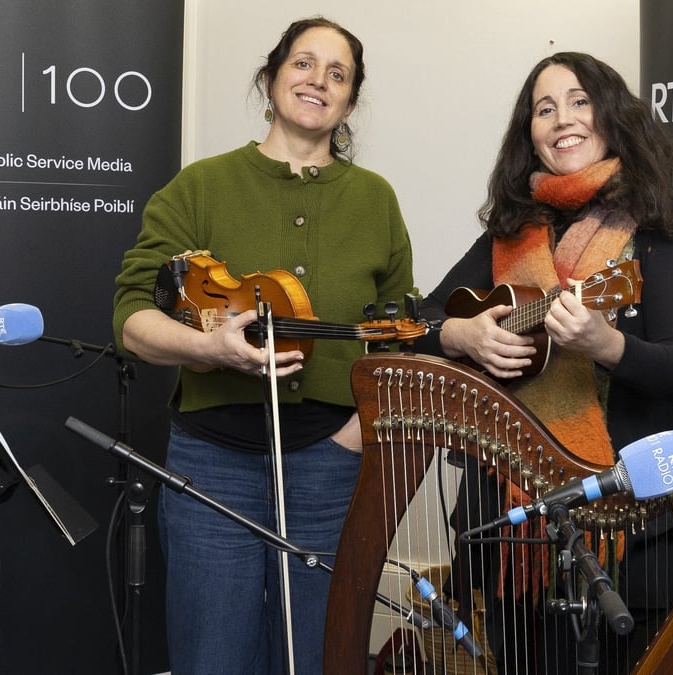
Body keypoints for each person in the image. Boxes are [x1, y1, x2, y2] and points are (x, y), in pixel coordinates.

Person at [111, 17, 416, 675]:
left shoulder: (376, 200)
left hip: (329, 465)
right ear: (273, 75)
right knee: (211, 654)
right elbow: (132, 316)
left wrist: (357, 435)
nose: (318, 82)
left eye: (338, 74)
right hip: (211, 462)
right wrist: (211, 349)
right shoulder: (200, 186)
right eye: (303, 64)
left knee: (314, 654)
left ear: (351, 101)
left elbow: (401, 334)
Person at [414, 51, 673, 673]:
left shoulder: (658, 226)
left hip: (629, 525)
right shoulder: (510, 231)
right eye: (544, 109)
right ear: (529, 134)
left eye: (579, 102)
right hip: (510, 527)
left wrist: (608, 345)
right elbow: (416, 323)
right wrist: (461, 336)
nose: (562, 119)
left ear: (611, 116)